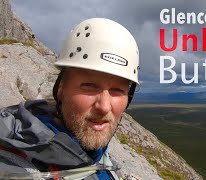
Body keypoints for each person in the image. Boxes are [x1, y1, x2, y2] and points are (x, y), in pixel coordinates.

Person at [0, 18, 139, 180]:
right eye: (89, 86)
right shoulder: (12, 167)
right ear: (60, 89)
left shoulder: (96, 157)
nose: (104, 106)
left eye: (117, 90)